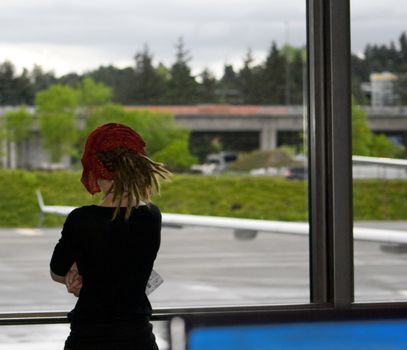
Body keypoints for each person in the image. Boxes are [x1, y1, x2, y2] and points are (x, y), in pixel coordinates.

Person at [50, 123, 171, 349]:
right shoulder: (151, 216)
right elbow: (125, 262)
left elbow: (57, 272)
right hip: (139, 339)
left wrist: (79, 270)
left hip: (89, 339)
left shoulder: (81, 219)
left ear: (96, 170)